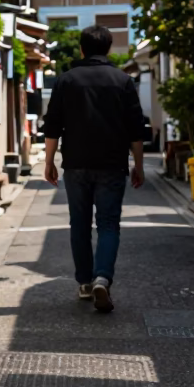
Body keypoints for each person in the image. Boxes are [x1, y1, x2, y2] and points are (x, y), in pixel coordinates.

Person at [42, 25, 145, 313]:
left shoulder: (66, 80)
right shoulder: (123, 81)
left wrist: (49, 161)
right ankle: (103, 277)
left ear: (82, 49)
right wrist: (138, 165)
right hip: (112, 164)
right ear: (109, 49)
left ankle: (85, 283)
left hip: (76, 164)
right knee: (109, 224)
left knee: (79, 223)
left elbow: (53, 126)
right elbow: (136, 130)